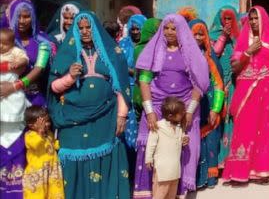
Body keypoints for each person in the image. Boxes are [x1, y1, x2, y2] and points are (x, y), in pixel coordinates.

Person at [47, 10, 131, 198]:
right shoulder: (66, 53)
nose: (85, 31)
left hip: (105, 116)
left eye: (88, 27)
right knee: (74, 156)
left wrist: (122, 116)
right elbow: (53, 87)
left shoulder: (111, 53)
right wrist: (70, 76)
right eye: (81, 28)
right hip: (72, 119)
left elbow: (121, 88)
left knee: (106, 155)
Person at [134, 14, 210, 198]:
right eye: (166, 28)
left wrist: (190, 111)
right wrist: (150, 111)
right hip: (157, 106)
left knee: (181, 147)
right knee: (149, 147)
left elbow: (198, 84)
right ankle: (149, 193)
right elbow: (144, 81)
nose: (169, 32)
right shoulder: (154, 50)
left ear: (181, 30)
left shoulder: (191, 53)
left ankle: (177, 193)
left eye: (173, 28)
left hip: (183, 108)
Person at [222, 6, 269, 184]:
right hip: (246, 93)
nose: (253, 22)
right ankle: (239, 171)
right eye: (250, 19)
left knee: (266, 130)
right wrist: (248, 52)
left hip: (267, 93)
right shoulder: (243, 42)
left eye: (256, 18)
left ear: (263, 20)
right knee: (244, 129)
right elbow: (234, 68)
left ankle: (263, 171)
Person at [1, 0, 54, 199]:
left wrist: (14, 86)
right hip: (4, 105)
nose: (23, 20)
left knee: (31, 147)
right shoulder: (4, 41)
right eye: (19, 16)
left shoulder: (42, 42)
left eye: (27, 16)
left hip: (34, 103)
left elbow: (39, 69)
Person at [189, 19, 225, 189]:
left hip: (209, 107)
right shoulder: (181, 57)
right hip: (190, 109)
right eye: (194, 33)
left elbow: (218, 85)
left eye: (201, 34)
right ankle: (193, 179)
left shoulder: (210, 58)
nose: (197, 37)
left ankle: (210, 178)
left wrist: (216, 109)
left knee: (210, 143)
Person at [208, 5, 240, 167]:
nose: (227, 22)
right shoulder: (212, 35)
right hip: (218, 83)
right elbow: (213, 55)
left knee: (233, 119)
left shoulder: (239, 36)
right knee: (217, 118)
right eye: (224, 19)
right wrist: (222, 37)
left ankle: (232, 160)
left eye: (230, 19)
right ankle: (217, 160)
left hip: (235, 83)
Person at [145, 96, 190, 199]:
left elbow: (182, 137)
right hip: (162, 170)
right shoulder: (158, 126)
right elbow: (151, 144)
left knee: (171, 194)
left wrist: (185, 138)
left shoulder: (179, 128)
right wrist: (148, 159)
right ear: (170, 115)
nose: (183, 114)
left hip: (174, 170)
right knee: (160, 194)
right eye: (180, 113)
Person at [118, 13, 147, 151]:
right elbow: (117, 64)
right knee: (127, 127)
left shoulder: (148, 46)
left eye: (138, 29)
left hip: (143, 91)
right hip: (125, 92)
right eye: (133, 29)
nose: (135, 32)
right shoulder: (122, 44)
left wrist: (131, 71)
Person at [22, 105, 64, 199]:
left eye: (48, 121)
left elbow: (54, 145)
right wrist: (40, 132)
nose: (47, 124)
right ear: (31, 125)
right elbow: (36, 144)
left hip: (52, 170)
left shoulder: (49, 134)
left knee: (54, 193)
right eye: (43, 122)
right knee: (37, 195)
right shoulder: (30, 135)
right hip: (38, 174)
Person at [0, 28, 29, 125]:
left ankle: (13, 118)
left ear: (12, 44)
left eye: (5, 44)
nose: (1, 46)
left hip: (10, 79)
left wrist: (18, 62)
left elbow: (24, 59)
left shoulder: (15, 51)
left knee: (14, 99)